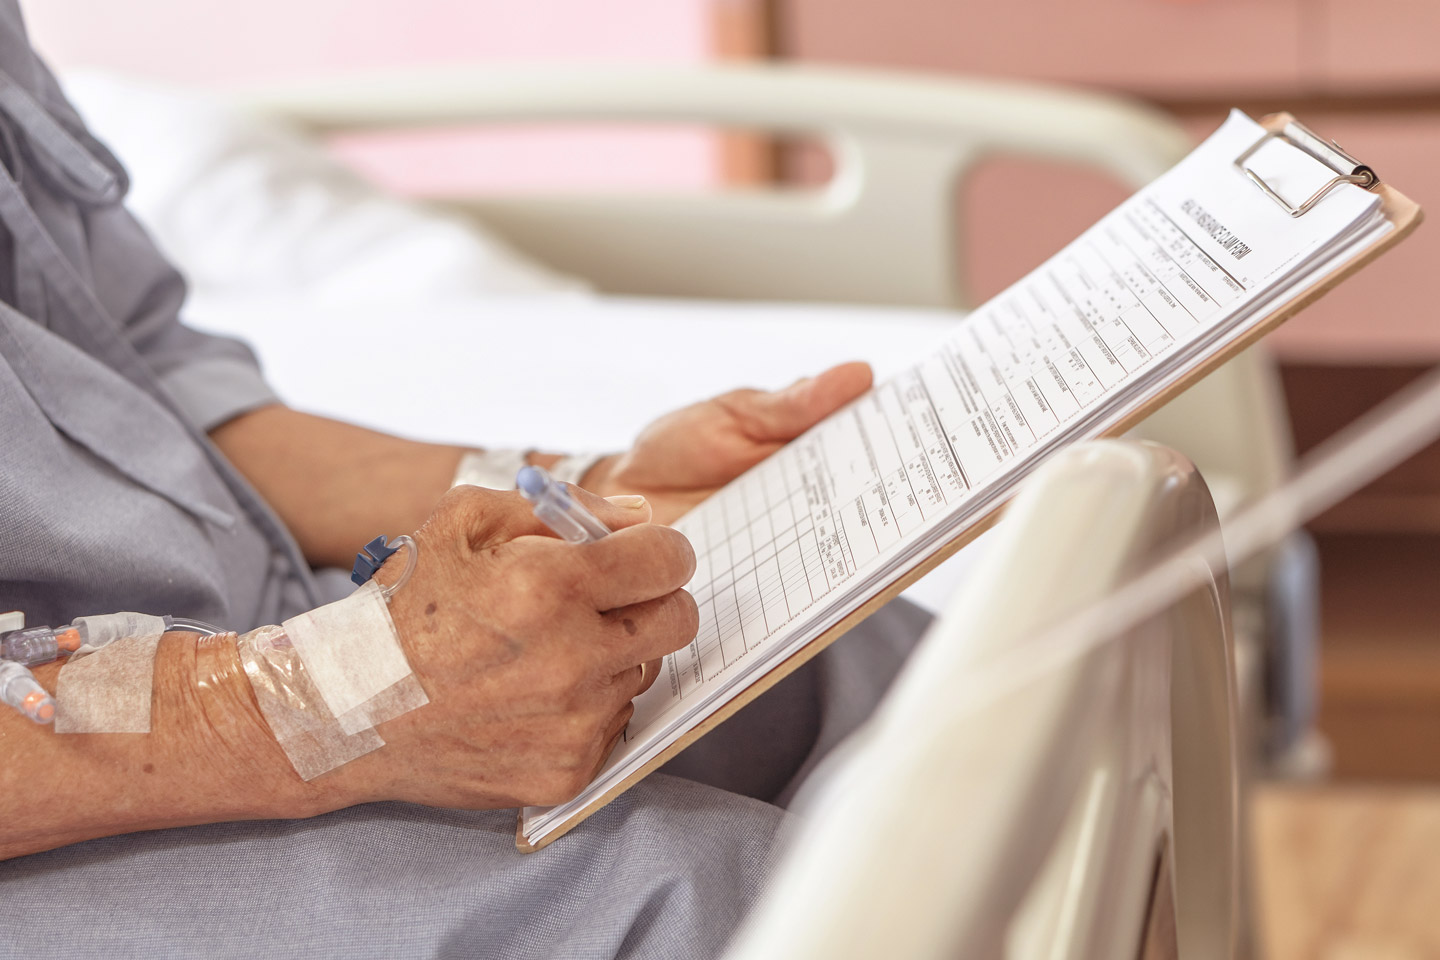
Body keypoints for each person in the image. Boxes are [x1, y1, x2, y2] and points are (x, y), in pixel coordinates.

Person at [0, 3, 931, 957]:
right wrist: (325, 699)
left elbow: (145, 396)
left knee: (851, 655)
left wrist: (582, 490)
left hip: (226, 627)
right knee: (718, 895)